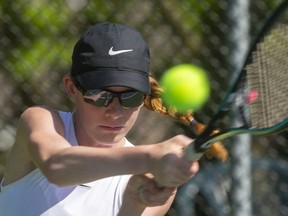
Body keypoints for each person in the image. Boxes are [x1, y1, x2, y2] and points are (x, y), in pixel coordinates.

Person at [0, 22, 226, 216]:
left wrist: (134, 203)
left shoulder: (151, 183)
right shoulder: (41, 120)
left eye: (131, 97)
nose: (116, 112)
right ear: (71, 88)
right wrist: (149, 157)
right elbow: (57, 166)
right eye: (100, 96)